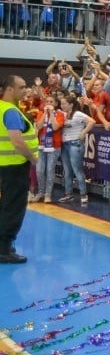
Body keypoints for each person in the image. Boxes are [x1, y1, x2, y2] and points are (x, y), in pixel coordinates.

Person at [0, 75, 39, 264]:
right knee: (13, 208)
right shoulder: (11, 112)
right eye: (22, 87)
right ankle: (4, 249)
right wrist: (32, 157)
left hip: (4, 166)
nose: (26, 90)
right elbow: (16, 140)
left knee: (4, 206)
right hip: (14, 166)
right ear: (10, 90)